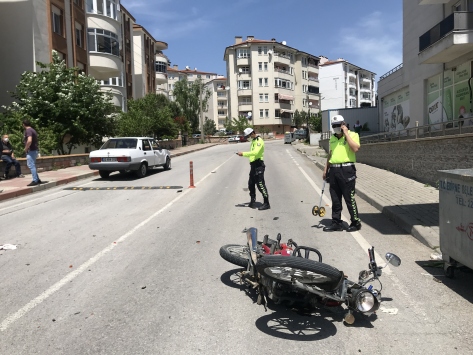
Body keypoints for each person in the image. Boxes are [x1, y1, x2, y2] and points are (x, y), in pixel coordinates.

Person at [322, 115, 361, 232]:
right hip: (334, 170)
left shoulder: (353, 135)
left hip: (347, 170)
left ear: (343, 124)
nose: (336, 128)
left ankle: (355, 222)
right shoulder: (332, 138)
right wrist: (326, 169)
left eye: (338, 125)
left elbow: (355, 148)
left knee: (349, 197)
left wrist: (346, 134)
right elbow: (331, 154)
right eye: (334, 126)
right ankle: (336, 222)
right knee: (335, 198)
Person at [237, 128, 270, 210]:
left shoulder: (259, 141)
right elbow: (252, 155)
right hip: (253, 166)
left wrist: (243, 154)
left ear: (252, 133)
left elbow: (255, 153)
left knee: (260, 185)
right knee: (251, 184)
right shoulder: (253, 141)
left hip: (259, 165)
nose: (248, 137)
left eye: (248, 136)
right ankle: (253, 200)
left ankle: (266, 203)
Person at [22, 120, 41, 186]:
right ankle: (37, 179)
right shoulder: (33, 130)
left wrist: (26, 148)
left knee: (31, 165)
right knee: (32, 165)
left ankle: (35, 180)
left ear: (23, 124)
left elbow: (29, 140)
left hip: (31, 150)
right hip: (34, 150)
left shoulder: (28, 131)